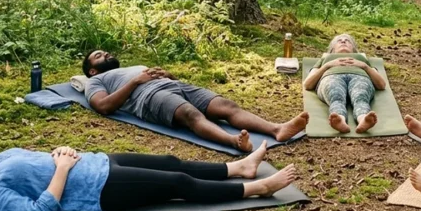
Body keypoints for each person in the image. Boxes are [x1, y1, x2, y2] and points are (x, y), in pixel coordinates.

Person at [0, 142, 297, 211]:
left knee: (171, 159)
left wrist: (58, 154)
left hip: (96, 163)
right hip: (97, 190)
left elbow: (32, 162)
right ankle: (255, 189)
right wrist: (62, 169)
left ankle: (238, 168)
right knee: (177, 181)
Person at [81, 50, 308, 152]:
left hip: (173, 85)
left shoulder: (132, 67)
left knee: (227, 107)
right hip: (148, 97)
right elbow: (103, 107)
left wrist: (168, 75)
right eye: (99, 56)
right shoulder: (95, 81)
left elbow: (164, 78)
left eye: (106, 52)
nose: (106, 55)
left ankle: (277, 129)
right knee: (191, 115)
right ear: (92, 70)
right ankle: (233, 142)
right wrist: (136, 82)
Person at [302, 34, 387, 133]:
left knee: (361, 96)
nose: (343, 42)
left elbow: (381, 84)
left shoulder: (360, 58)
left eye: (347, 40)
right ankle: (340, 121)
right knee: (336, 95)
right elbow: (307, 84)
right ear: (333, 48)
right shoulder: (327, 58)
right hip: (331, 77)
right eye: (339, 41)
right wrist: (327, 66)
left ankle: (363, 120)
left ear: (353, 48)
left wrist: (364, 66)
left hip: (360, 77)